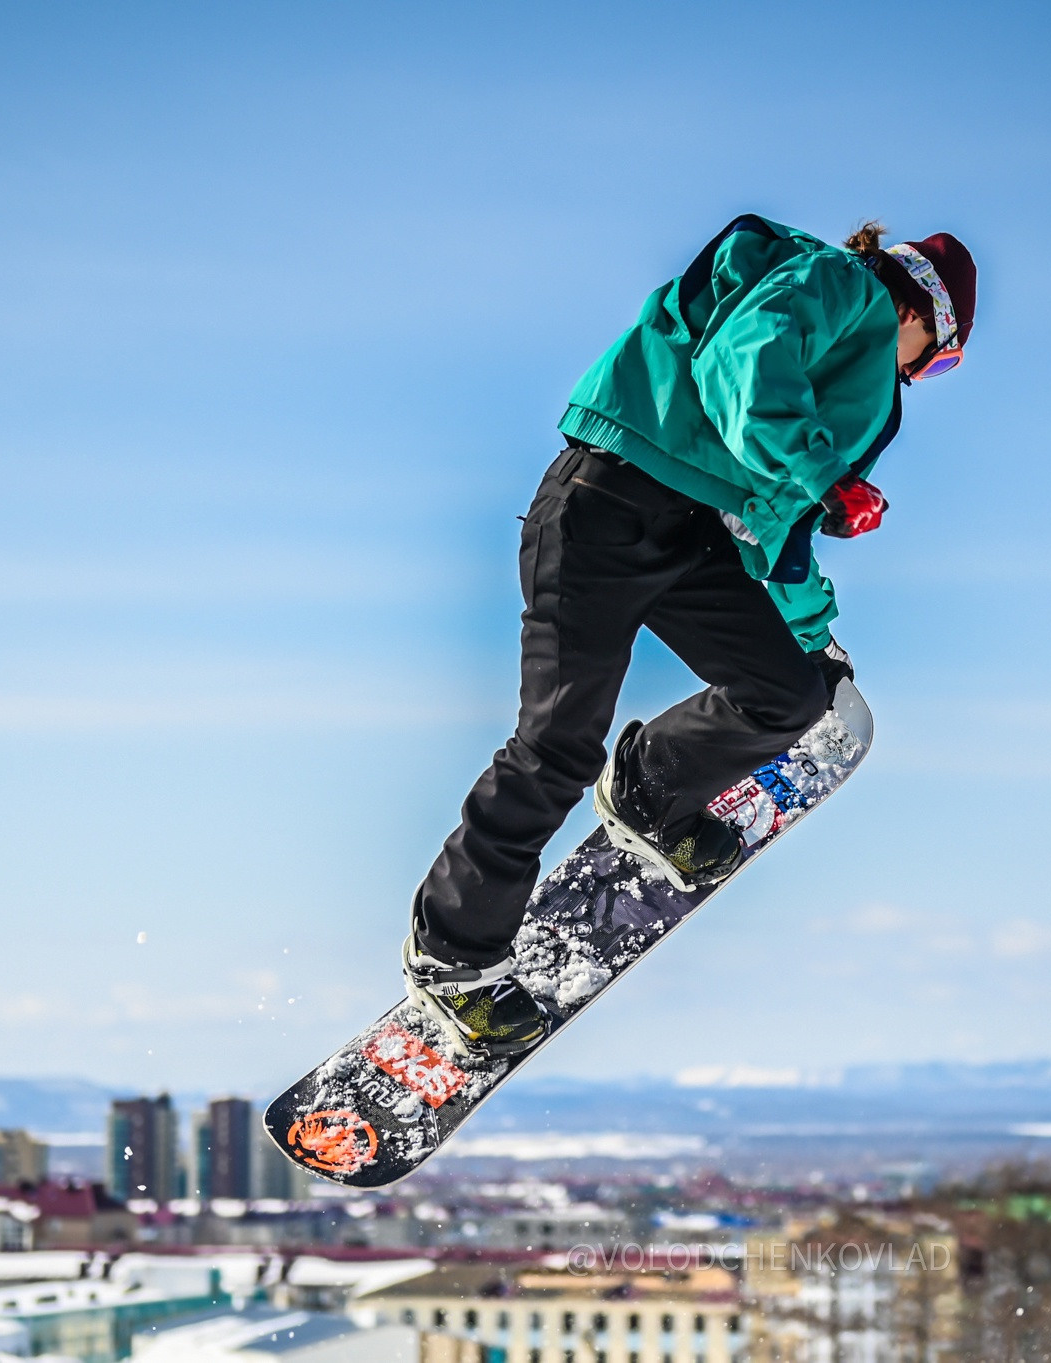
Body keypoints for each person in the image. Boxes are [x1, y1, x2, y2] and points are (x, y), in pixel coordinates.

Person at [403, 214, 977, 1054]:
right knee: (557, 744)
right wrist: (826, 474)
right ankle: (453, 955)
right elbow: (743, 359)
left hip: (694, 530)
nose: (923, 376)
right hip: (603, 501)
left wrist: (812, 633)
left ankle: (651, 790)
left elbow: (778, 524)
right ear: (923, 315)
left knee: (787, 693)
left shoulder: (842, 379)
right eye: (941, 360)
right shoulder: (838, 284)